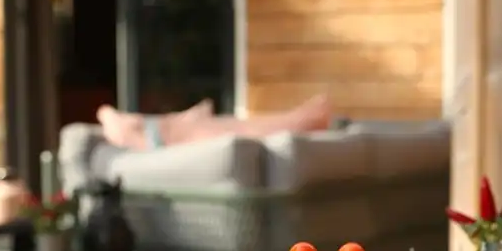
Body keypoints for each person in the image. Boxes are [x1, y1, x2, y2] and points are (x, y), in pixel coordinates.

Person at [95, 94, 333, 151]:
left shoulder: (129, 127)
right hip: (166, 138)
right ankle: (302, 119)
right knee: (239, 129)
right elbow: (105, 113)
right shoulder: (120, 126)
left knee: (234, 126)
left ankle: (302, 119)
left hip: (167, 133)